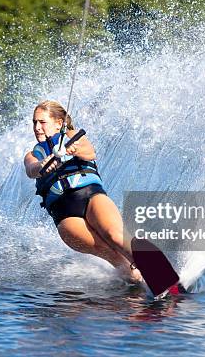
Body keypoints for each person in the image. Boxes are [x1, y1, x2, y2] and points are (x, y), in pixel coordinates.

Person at [24, 100, 142, 283]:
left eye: (42, 122)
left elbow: (89, 153)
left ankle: (158, 273)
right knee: (112, 255)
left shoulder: (73, 136)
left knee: (115, 235)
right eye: (34, 122)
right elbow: (31, 170)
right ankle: (140, 288)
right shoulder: (32, 155)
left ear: (58, 123)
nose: (37, 127)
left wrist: (72, 149)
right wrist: (44, 164)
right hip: (64, 213)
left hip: (90, 196)